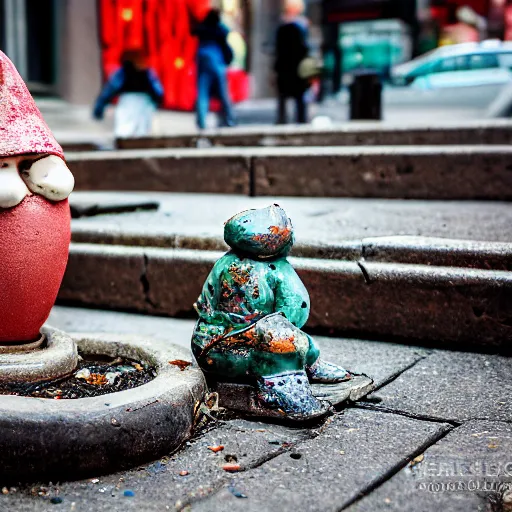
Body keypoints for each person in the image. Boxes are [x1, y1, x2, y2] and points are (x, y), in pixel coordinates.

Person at [93, 49, 164, 138]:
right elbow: (158, 91)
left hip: (129, 106)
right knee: (140, 134)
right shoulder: (147, 74)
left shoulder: (123, 74)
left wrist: (99, 109)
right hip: (143, 106)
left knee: (126, 133)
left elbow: (109, 91)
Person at [193, 9, 235, 130]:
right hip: (217, 62)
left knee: (203, 92)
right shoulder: (219, 29)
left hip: (203, 60)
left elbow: (194, 30)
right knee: (223, 92)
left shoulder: (203, 29)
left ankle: (201, 121)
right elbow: (225, 35)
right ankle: (229, 118)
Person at [274, 0, 310, 124]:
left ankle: (283, 120)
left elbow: (278, 49)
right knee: (298, 96)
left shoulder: (284, 26)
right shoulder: (301, 25)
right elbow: (304, 48)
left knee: (286, 96)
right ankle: (300, 120)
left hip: (286, 67)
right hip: (295, 66)